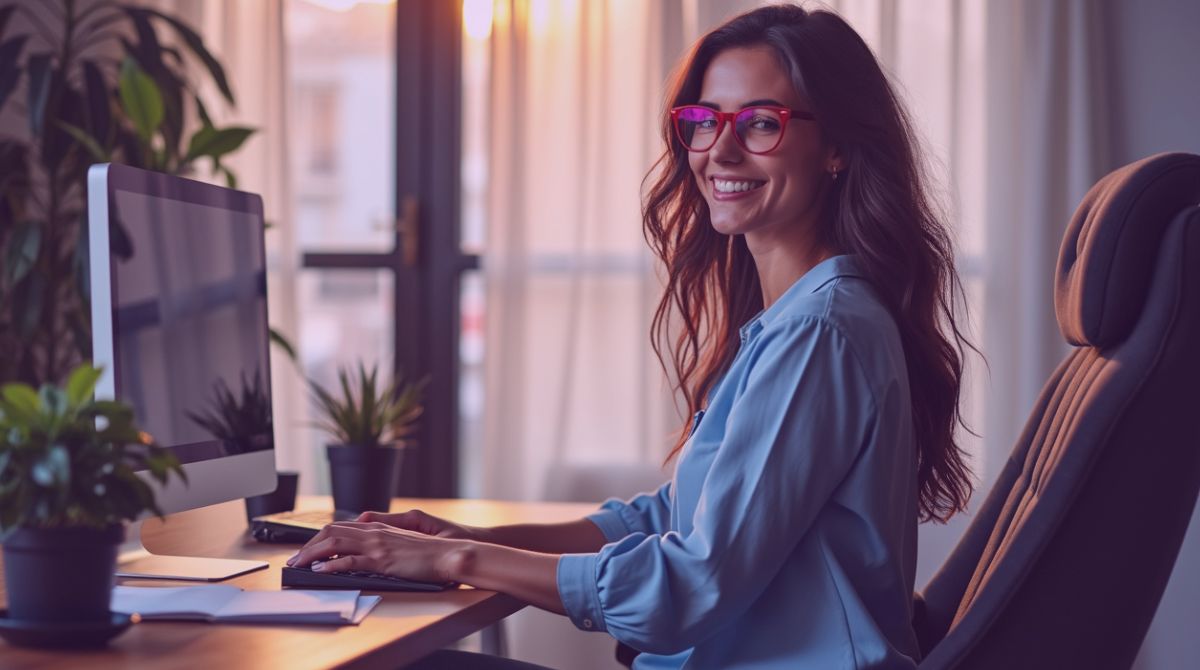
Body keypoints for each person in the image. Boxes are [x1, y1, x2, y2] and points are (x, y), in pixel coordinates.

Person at [288, 4, 976, 668]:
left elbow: (692, 585)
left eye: (760, 122)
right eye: (703, 121)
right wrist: (472, 537)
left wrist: (453, 563)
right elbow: (673, 517)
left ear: (837, 149)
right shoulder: (796, 320)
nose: (718, 150)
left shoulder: (820, 333)